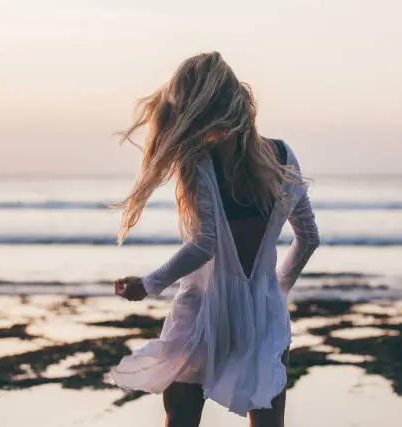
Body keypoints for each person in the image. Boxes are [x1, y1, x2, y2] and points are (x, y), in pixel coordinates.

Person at [110, 51, 320, 427]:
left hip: (203, 313)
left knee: (181, 417)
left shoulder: (199, 162)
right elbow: (309, 238)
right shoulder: (283, 156)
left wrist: (150, 283)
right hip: (263, 315)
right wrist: (276, 290)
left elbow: (205, 244)